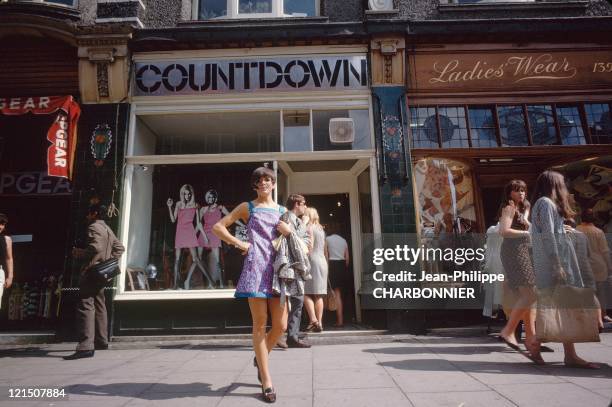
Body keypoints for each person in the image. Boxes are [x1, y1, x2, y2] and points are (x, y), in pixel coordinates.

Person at [212, 167, 291, 403]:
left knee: (281, 326)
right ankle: (266, 381)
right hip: (256, 268)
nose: (264, 183)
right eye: (259, 180)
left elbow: (300, 241)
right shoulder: (248, 207)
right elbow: (218, 227)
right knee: (260, 324)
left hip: (278, 271)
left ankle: (261, 355)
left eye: (268, 179)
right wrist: (240, 244)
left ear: (274, 184)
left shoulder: (283, 211)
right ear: (254, 185)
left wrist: (288, 233)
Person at [531, 170, 599, 369]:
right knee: (555, 305)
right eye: (562, 184)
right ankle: (537, 346)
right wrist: (557, 264)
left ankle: (567, 353)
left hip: (555, 262)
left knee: (561, 305)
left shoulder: (545, 204)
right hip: (555, 263)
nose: (565, 188)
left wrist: (565, 231)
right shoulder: (545, 203)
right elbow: (548, 236)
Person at [64, 204, 125, 360]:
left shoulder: (93, 227)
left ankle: (85, 346)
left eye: (89, 213)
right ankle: (101, 341)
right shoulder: (107, 228)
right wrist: (109, 262)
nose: (87, 216)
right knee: (99, 303)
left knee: (85, 304)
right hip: (102, 274)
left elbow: (95, 248)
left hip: (92, 272)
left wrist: (80, 253)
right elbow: (119, 248)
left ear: (95, 214)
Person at [496, 180, 541, 362]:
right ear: (509, 194)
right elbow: (504, 231)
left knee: (529, 296)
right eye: (517, 191)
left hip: (524, 251)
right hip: (514, 252)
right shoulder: (508, 208)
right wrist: (527, 233)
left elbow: (529, 226)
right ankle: (508, 331)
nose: (521, 193)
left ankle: (532, 343)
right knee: (530, 293)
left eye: (523, 190)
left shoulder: (523, 208)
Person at [167, 184, 213, 290]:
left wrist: (205, 237)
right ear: (182, 194)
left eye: (189, 194)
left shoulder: (195, 205)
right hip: (180, 232)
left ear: (191, 195)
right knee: (177, 259)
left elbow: (199, 223)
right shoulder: (178, 204)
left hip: (189, 232)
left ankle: (211, 282)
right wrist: (169, 207)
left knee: (196, 258)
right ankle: (175, 285)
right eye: (185, 194)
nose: (187, 196)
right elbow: (173, 220)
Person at [281, 194, 312, 348]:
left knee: (297, 300)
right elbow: (291, 240)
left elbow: (306, 242)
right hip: (290, 266)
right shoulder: (287, 217)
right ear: (297, 204)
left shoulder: (298, 221)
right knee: (292, 301)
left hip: (298, 265)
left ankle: (291, 334)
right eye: (304, 203)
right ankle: (287, 336)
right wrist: (304, 228)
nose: (305, 207)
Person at [577, 208, 612, 324]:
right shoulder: (598, 232)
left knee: (586, 292)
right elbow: (605, 251)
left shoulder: (576, 230)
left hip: (583, 264)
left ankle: (589, 316)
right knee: (600, 292)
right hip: (599, 266)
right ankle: (603, 315)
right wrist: (609, 266)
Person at [303, 207, 328, 332]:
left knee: (305, 292)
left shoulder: (308, 228)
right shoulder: (321, 229)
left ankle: (313, 320)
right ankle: (319, 323)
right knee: (319, 294)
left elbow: (310, 246)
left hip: (311, 261)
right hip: (322, 262)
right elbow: (324, 249)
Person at [325, 226, 349, 327]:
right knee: (338, 294)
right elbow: (347, 259)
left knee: (328, 293)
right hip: (341, 265)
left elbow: (325, 255)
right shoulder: (343, 240)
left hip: (331, 265)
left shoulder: (327, 239)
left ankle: (325, 320)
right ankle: (340, 320)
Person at [0, 213, 14, 309]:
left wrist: (10, 276)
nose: (0, 226)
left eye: (2, 224)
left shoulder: (7, 239)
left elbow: (9, 258)